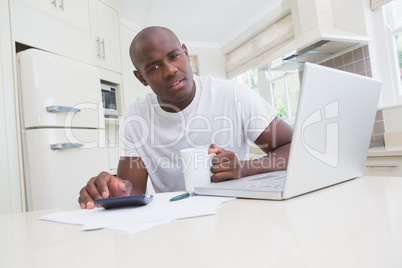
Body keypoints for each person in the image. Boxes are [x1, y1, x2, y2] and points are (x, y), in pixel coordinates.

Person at [78, 26, 293, 209]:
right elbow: (131, 191)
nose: (170, 70)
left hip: (236, 213)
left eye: (174, 56)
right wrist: (110, 190)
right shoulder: (136, 119)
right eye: (154, 67)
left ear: (186, 54)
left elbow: (294, 147)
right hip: (178, 221)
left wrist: (244, 168)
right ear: (141, 78)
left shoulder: (232, 94)